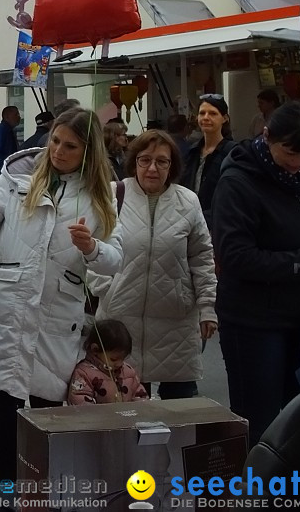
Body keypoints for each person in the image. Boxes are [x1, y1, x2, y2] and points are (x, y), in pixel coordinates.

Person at [0, 108, 122, 494]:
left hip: (56, 316)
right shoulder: (16, 178)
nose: (59, 151)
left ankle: (38, 494)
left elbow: (117, 258)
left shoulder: (102, 196)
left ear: (88, 151)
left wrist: (93, 248)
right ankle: (6, 493)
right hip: (8, 308)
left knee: (46, 410)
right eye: (55, 141)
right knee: (4, 406)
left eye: (71, 146)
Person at [92, 130, 217, 399]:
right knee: (126, 414)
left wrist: (207, 307)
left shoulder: (188, 202)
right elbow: (92, 248)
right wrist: (106, 289)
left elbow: (202, 256)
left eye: (162, 161)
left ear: (172, 166)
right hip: (121, 324)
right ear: (133, 161)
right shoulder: (114, 196)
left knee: (180, 413)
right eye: (144, 159)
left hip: (177, 324)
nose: (152, 168)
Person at [214, 102, 300, 447]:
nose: (297, 163)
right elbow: (236, 256)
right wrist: (299, 263)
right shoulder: (238, 181)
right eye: (289, 152)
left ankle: (295, 494)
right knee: (261, 420)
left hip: (299, 317)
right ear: (266, 137)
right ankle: (258, 494)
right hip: (252, 321)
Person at [180, 94, 237, 231]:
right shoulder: (192, 152)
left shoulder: (233, 153)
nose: (206, 117)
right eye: (202, 113)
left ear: (224, 118)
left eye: (213, 113)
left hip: (220, 225)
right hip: (189, 223)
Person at [68, 320, 149, 405]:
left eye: (123, 359)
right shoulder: (84, 373)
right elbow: (80, 402)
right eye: (114, 359)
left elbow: (140, 395)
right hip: (99, 417)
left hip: (127, 417)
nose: (119, 364)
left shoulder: (128, 372)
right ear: (95, 349)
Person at [0, 106, 22, 178]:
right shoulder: (1, 131)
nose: (19, 117)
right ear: (7, 116)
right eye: (16, 114)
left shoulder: (8, 131)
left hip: (6, 172)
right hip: (2, 173)